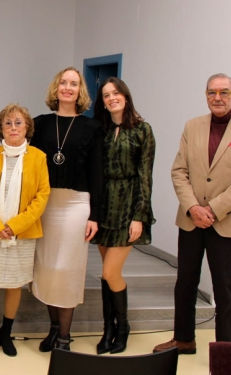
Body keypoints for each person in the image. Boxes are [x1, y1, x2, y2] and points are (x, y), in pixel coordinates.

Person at [154, 73, 231, 354]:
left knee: (224, 290)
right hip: (191, 220)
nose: (217, 98)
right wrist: (193, 207)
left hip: (228, 222)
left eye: (224, 92)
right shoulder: (192, 127)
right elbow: (179, 171)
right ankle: (184, 339)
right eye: (212, 92)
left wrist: (212, 210)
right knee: (185, 283)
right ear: (205, 95)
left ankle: (226, 351)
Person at [30, 67, 103, 352]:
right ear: (56, 88)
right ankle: (52, 330)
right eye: (63, 82)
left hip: (76, 205)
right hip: (45, 203)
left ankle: (65, 336)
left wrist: (95, 215)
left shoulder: (92, 127)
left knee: (67, 267)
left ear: (80, 91)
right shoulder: (40, 124)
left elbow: (97, 174)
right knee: (47, 267)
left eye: (74, 84)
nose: (68, 88)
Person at [0, 104, 50, 360]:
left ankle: (6, 333)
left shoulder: (38, 157)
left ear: (27, 127)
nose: (13, 127)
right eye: (7, 123)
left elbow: (42, 195)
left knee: (14, 285)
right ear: (0, 128)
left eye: (18, 123)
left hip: (22, 233)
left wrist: (15, 226)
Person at [92, 77, 156, 354]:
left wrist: (139, 216)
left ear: (125, 96)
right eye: (106, 95)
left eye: (115, 93)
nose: (111, 98)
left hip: (128, 205)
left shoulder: (143, 130)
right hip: (104, 204)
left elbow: (145, 175)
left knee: (110, 272)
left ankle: (123, 327)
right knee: (107, 275)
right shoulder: (101, 130)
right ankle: (108, 330)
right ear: (102, 102)